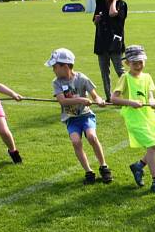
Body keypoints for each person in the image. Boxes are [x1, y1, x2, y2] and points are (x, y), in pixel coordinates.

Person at [110, 45, 155, 195]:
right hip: (134, 118)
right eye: (134, 63)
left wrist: (153, 102)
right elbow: (114, 98)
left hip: (149, 116)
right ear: (127, 64)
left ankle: (139, 165)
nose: (138, 66)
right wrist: (131, 103)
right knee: (152, 146)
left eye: (140, 62)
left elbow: (150, 96)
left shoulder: (147, 77)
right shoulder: (125, 77)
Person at [46, 48, 112, 185]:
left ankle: (104, 167)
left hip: (86, 116)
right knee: (76, 142)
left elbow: (95, 95)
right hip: (71, 119)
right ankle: (89, 171)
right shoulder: (56, 82)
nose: (53, 69)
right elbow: (62, 101)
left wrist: (99, 100)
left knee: (92, 137)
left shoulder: (82, 78)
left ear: (65, 66)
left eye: (55, 66)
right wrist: (81, 100)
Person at [93, 0, 128, 100]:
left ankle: (128, 95)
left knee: (120, 71)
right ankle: (109, 98)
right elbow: (95, 21)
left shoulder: (121, 4)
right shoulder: (99, 3)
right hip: (101, 43)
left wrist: (114, 1)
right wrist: (96, 20)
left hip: (115, 42)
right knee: (104, 73)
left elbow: (113, 13)